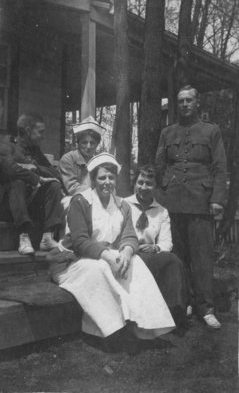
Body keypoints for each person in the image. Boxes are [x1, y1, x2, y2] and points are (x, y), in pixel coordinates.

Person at [48, 153, 175, 349]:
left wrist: (126, 251)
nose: (107, 182)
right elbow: (80, 241)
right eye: (102, 178)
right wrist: (107, 256)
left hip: (104, 256)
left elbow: (130, 235)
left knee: (135, 263)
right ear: (93, 179)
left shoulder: (122, 204)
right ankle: (106, 331)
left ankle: (146, 326)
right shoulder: (80, 201)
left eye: (111, 177)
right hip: (72, 260)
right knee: (100, 268)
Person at [156, 85, 227, 329]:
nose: (184, 105)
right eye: (181, 101)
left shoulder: (211, 131)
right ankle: (183, 301)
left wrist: (217, 198)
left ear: (197, 103)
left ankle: (205, 307)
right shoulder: (168, 132)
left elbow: (220, 167)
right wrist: (161, 194)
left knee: (202, 257)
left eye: (189, 100)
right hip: (173, 203)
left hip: (200, 202)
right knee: (178, 256)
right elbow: (159, 165)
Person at [125, 165, 187, 328]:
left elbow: (167, 242)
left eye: (149, 183)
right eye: (140, 182)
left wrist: (156, 248)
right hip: (128, 253)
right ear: (134, 183)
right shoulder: (124, 204)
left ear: (156, 187)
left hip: (150, 256)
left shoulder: (161, 211)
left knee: (173, 260)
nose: (143, 187)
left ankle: (174, 312)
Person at [5, 113, 64, 254]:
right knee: (18, 181)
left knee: (54, 184)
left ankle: (47, 237)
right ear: (27, 130)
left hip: (29, 205)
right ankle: (23, 236)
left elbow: (54, 174)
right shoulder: (8, 147)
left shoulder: (35, 151)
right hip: (8, 206)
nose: (43, 136)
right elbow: (10, 170)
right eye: (40, 132)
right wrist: (28, 172)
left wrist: (35, 167)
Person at [59, 116, 105, 198]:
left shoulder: (98, 162)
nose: (88, 146)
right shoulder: (68, 159)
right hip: (72, 201)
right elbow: (73, 190)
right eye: (84, 142)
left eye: (92, 143)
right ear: (78, 143)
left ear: (97, 144)